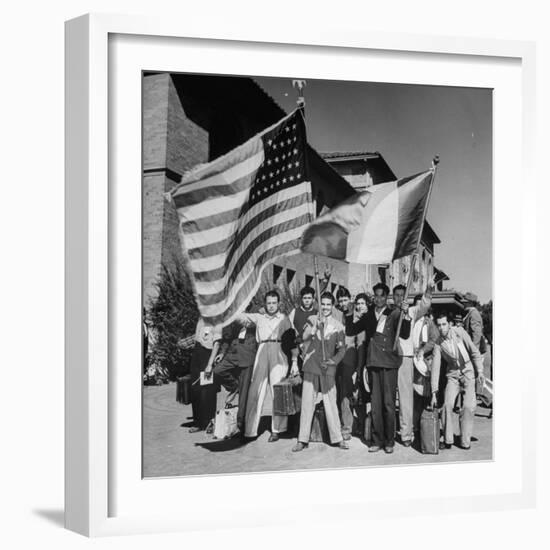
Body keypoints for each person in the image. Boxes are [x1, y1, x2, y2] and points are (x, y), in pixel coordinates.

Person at [345, 283, 411, 453]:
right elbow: (351, 330)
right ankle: (376, 440)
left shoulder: (394, 312)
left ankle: (389, 442)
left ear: (387, 297)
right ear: (373, 297)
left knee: (388, 404)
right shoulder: (368, 315)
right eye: (377, 295)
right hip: (373, 362)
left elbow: (404, 334)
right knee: (375, 404)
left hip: (389, 363)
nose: (379, 298)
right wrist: (350, 311)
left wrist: (406, 314)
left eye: (382, 295)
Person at [238, 290, 299, 442]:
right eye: (268, 303)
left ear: (278, 303)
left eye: (274, 303)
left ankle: (277, 430)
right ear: (264, 304)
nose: (271, 306)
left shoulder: (284, 319)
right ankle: (250, 430)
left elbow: (292, 341)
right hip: (262, 350)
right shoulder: (259, 317)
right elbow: (240, 318)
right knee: (255, 390)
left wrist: (294, 362)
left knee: (277, 391)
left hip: (278, 351)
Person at [292, 292, 348, 452]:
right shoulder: (312, 319)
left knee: (331, 403)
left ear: (333, 306)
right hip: (311, 366)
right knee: (307, 403)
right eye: (322, 304)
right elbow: (303, 337)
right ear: (319, 304)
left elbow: (342, 349)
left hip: (327, 368)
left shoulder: (338, 325)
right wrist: (314, 328)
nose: (325, 307)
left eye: (328, 304)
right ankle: (302, 439)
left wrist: (334, 361)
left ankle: (337, 438)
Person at [430, 312, 485, 450]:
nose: (441, 328)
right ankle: (448, 440)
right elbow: (435, 368)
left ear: (449, 324)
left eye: (444, 324)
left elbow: (474, 352)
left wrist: (480, 372)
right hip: (453, 374)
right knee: (447, 404)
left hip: (467, 371)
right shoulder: (438, 344)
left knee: (468, 406)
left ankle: (465, 441)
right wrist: (434, 392)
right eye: (439, 325)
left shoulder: (460, 333)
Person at [392, 278, 434, 447]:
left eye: (402, 295)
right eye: (396, 295)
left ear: (406, 298)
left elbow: (424, 305)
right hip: (389, 358)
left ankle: (406, 434)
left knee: (405, 398)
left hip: (406, 358)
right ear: (393, 297)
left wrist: (429, 290)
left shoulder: (411, 312)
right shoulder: (389, 312)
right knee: (388, 398)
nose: (399, 298)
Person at [212, 316, 258, 434]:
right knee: (217, 371)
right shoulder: (231, 314)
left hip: (247, 354)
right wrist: (222, 353)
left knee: (244, 395)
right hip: (232, 353)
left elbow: (256, 328)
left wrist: (244, 318)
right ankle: (234, 386)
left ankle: (241, 424)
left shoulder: (256, 311)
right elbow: (226, 337)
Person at [188, 317, 222, 433]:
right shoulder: (201, 319)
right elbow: (198, 337)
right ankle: (198, 422)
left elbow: (217, 344)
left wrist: (209, 364)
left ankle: (209, 423)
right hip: (197, 355)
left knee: (208, 391)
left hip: (207, 357)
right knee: (195, 389)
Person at [410, 296, 439, 434]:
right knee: (412, 396)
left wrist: (423, 350)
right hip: (410, 360)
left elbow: (434, 339)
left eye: (422, 306)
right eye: (417, 307)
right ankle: (413, 426)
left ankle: (424, 427)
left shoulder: (429, 323)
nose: (419, 309)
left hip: (423, 362)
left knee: (422, 395)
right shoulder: (410, 320)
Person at [334, 287, 359, 441]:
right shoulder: (336, 315)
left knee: (348, 395)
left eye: (345, 299)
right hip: (336, 360)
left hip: (350, 360)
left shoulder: (357, 315)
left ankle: (348, 427)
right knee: (338, 394)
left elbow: (359, 341)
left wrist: (358, 367)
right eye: (340, 300)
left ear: (350, 299)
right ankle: (341, 424)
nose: (343, 303)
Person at [289, 286, 318, 373]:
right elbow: (290, 329)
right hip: (296, 351)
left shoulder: (317, 313)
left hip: (312, 351)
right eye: (305, 298)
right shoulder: (294, 312)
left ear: (313, 299)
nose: (307, 300)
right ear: (301, 299)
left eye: (309, 298)